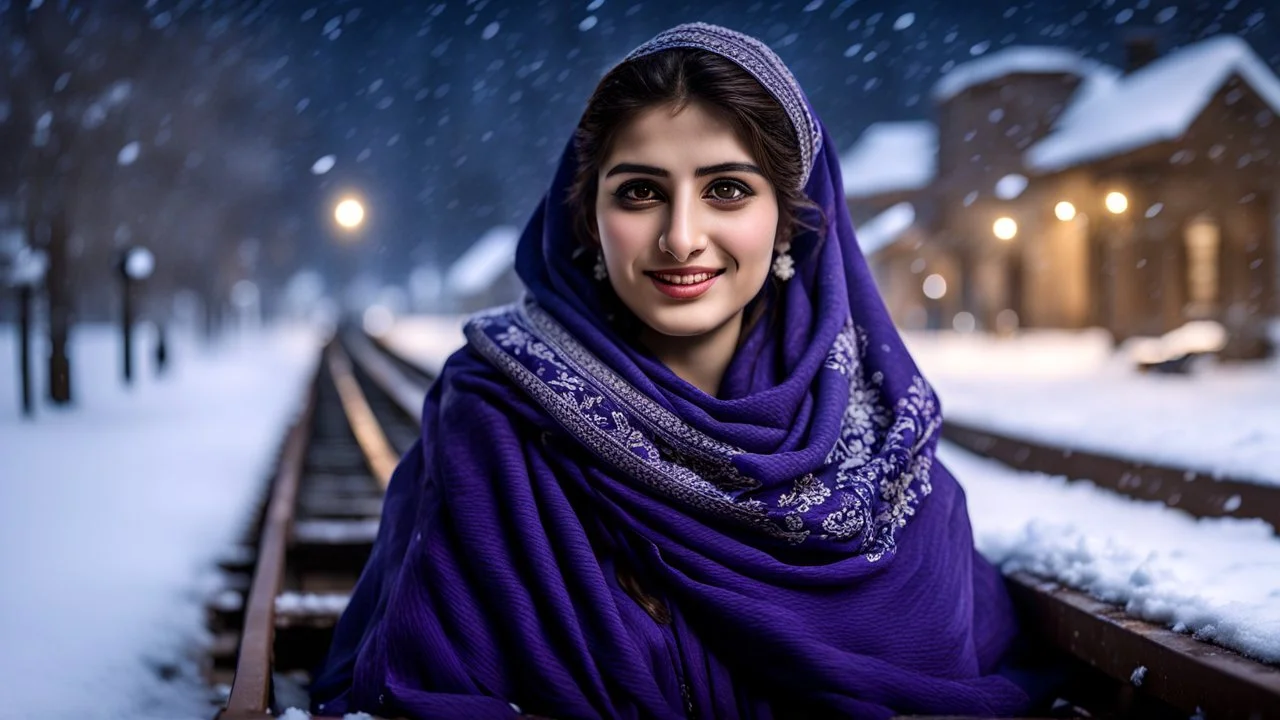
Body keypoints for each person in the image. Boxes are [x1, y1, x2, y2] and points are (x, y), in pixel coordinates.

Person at [311, 22, 1033, 719]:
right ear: (589, 216)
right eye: (639, 192)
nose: (681, 237)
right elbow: (431, 677)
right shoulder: (497, 414)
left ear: (788, 218)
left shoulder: (881, 442)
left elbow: (940, 637)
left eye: (726, 189)